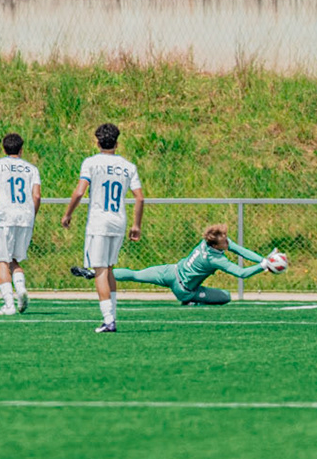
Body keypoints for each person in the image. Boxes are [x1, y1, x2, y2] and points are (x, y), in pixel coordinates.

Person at [61, 122, 144, 333]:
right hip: (119, 221)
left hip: (98, 222)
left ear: (97, 142)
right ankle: (112, 315)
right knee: (109, 269)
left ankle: (108, 320)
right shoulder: (128, 166)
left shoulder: (91, 162)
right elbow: (140, 198)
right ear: (117, 143)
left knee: (99, 271)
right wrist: (136, 225)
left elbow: (80, 192)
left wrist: (68, 213)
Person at [90, 224, 285, 306]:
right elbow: (241, 273)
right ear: (216, 245)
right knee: (225, 297)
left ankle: (97, 273)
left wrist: (262, 259)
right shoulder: (215, 259)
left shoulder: (207, 243)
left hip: (170, 271)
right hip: (184, 289)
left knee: (135, 274)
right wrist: (264, 266)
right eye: (225, 241)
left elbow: (240, 249)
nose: (228, 243)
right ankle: (192, 299)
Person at [0, 132, 41, 315]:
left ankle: (9, 304)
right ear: (21, 150)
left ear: (3, 149)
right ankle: (20, 288)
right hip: (26, 217)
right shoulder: (31, 168)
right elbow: (36, 195)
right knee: (15, 259)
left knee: (2, 261)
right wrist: (32, 215)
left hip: (6, 217)